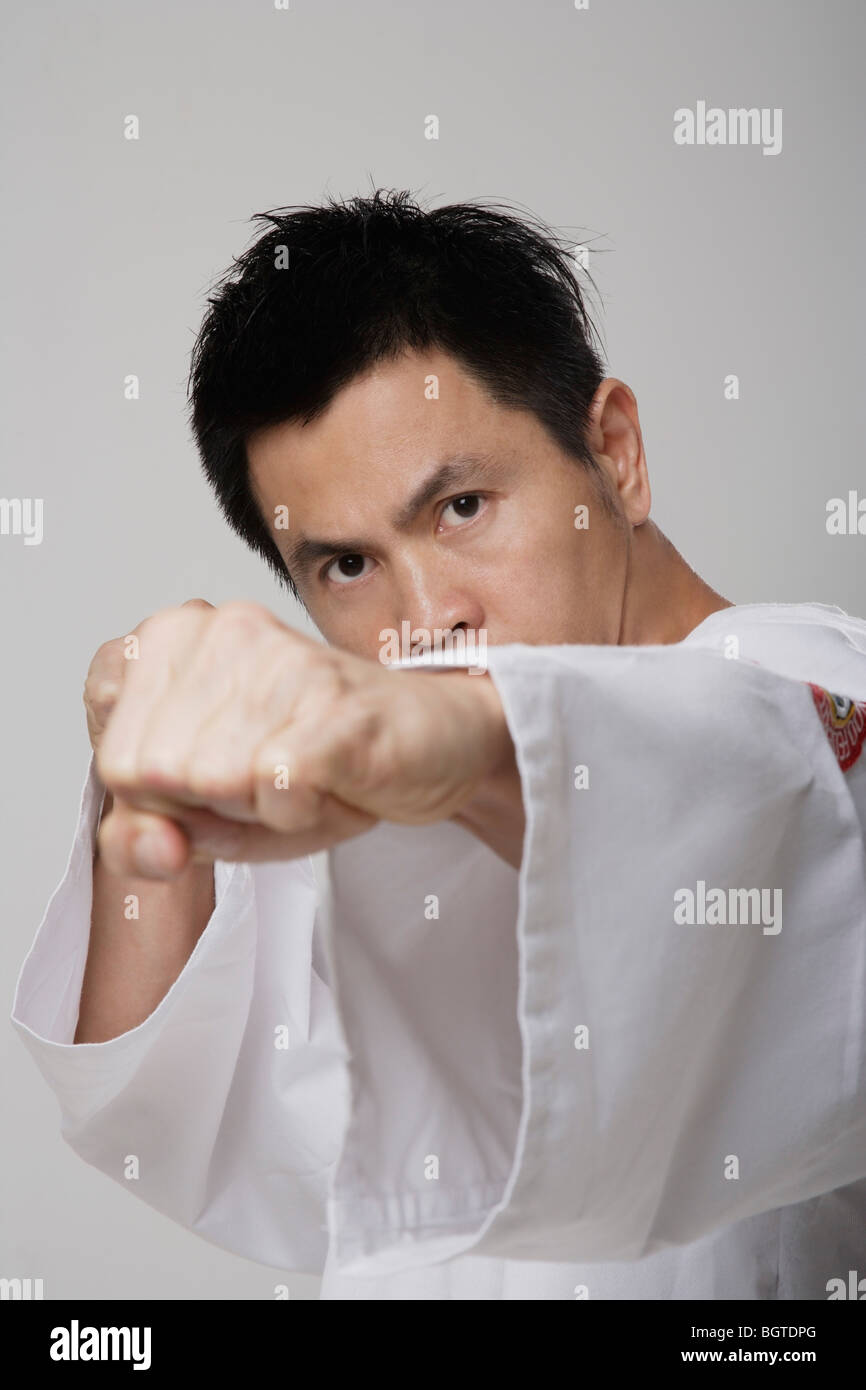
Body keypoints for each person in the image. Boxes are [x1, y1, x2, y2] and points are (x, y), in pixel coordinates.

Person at [12, 189, 866, 1301]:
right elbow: (168, 1111)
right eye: (347, 567)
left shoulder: (805, 688)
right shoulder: (386, 826)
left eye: (460, 506)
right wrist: (150, 798)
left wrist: (458, 741)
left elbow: (766, 797)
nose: (424, 619)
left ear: (613, 453)